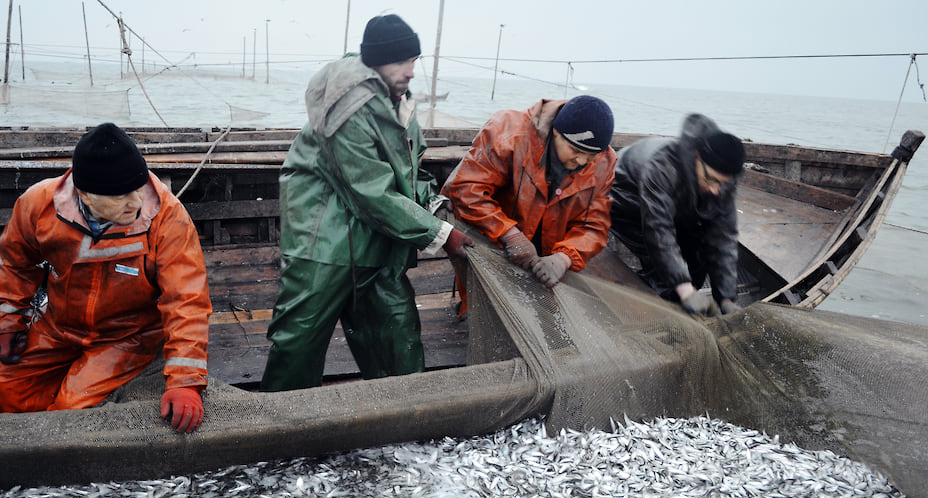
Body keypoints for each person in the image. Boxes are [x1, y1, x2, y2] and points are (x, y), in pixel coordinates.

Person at [260, 14, 474, 392]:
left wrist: (434, 204)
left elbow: (407, 172)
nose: (410, 71)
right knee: (298, 342)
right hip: (324, 244)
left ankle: (407, 421)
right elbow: (369, 191)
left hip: (378, 242)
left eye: (413, 61)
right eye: (401, 62)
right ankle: (282, 435)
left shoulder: (399, 101)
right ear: (375, 61)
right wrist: (442, 234)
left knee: (396, 335)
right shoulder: (346, 107)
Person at [0, 122, 211, 433]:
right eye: (121, 196)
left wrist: (185, 381)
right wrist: (5, 324)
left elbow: (187, 300)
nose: (137, 203)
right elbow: (15, 264)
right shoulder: (38, 204)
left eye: (138, 189)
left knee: (70, 409)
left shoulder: (167, 217)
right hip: (59, 326)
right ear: (84, 193)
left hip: (126, 336)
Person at [441, 95, 616, 313]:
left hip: (549, 250)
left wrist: (564, 258)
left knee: (547, 309)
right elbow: (467, 191)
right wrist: (509, 234)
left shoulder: (605, 163)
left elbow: (594, 226)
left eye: (590, 156)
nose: (581, 161)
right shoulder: (507, 132)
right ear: (555, 132)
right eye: (576, 151)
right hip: (492, 234)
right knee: (488, 308)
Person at [608, 113, 745, 315]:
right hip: (625, 196)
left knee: (698, 251)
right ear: (698, 157)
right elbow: (659, 230)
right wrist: (684, 288)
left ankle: (682, 302)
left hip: (673, 202)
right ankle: (654, 311)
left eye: (722, 184)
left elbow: (723, 237)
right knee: (659, 260)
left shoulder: (721, 181)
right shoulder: (662, 166)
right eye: (712, 180)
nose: (717, 190)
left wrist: (726, 298)